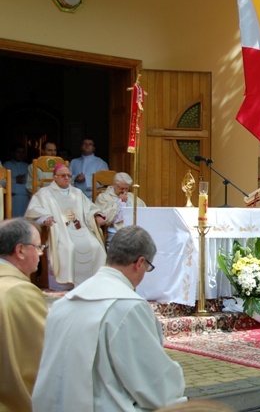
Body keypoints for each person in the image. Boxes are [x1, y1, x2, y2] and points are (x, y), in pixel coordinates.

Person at [32, 226, 187, 411]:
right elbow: (155, 384)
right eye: (148, 267)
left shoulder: (63, 304)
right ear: (140, 262)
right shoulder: (128, 307)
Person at [25, 164, 106, 289]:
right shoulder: (44, 193)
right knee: (68, 248)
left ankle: (93, 284)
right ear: (55, 177)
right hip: (60, 231)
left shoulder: (77, 193)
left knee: (96, 247)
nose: (67, 178)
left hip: (81, 229)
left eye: (69, 175)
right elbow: (34, 210)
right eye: (63, 175)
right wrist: (45, 217)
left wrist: (96, 216)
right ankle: (65, 285)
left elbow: (90, 209)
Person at [0, 218, 48, 412]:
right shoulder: (21, 292)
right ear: (20, 250)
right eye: (37, 247)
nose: (41, 253)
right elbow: (44, 355)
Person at [95, 172, 147, 248]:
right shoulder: (103, 197)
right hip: (116, 231)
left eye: (127, 188)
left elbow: (144, 211)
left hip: (134, 229)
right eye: (122, 188)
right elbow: (105, 218)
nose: (124, 191)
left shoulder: (132, 196)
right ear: (114, 185)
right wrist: (120, 203)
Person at [3, 145, 30, 217]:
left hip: (25, 198)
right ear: (13, 153)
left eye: (23, 152)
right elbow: (2, 181)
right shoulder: (6, 165)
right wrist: (15, 179)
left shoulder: (28, 166)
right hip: (12, 198)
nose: (21, 155)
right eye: (18, 152)